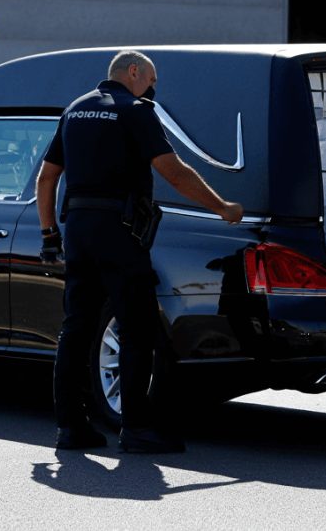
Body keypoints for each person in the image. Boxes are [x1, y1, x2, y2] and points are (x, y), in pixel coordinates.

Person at [35, 50, 243, 451]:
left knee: (75, 327)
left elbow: (47, 179)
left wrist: (49, 234)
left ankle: (70, 427)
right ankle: (136, 429)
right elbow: (174, 171)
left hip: (77, 229)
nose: (154, 87)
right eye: (152, 79)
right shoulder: (136, 109)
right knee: (136, 328)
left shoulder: (75, 110)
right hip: (119, 231)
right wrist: (222, 207)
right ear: (134, 72)